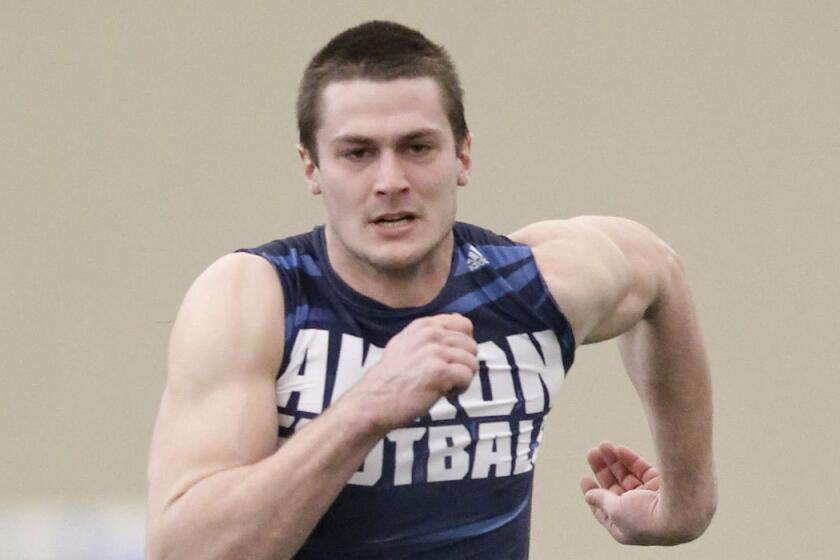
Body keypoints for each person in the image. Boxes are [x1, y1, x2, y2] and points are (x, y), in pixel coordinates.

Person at [146, 20, 716, 559]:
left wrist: (683, 509)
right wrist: (365, 410)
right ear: (311, 168)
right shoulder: (255, 301)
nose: (391, 181)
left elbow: (657, 271)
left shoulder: (529, 288)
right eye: (357, 153)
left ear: (462, 155)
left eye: (417, 147)